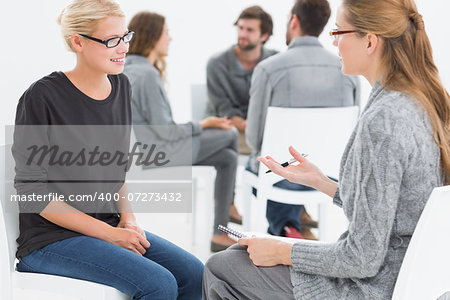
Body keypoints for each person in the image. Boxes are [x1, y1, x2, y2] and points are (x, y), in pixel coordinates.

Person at [203, 0, 449, 298]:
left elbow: (362, 258)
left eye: (338, 31)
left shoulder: (383, 119)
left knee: (221, 265)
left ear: (370, 41)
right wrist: (321, 182)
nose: (333, 41)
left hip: (372, 286)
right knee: (242, 253)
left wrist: (284, 251)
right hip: (406, 274)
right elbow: (392, 209)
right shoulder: (423, 100)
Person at [12, 1, 203, 299]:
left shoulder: (121, 86)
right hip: (50, 241)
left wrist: (128, 219)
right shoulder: (42, 96)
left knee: (194, 274)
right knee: (158, 284)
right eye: (112, 40)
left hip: (107, 224)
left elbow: (117, 168)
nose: (123, 48)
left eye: (125, 37)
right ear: (78, 42)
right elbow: (32, 193)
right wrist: (112, 235)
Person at [123, 11, 241, 252]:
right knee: (229, 135)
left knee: (227, 157)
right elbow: (166, 131)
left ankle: (221, 231)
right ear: (152, 36)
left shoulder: (127, 69)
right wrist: (203, 124)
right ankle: (228, 205)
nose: (170, 39)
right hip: (156, 153)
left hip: (139, 153)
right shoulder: (146, 74)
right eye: (166, 33)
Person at [246, 0, 360, 240]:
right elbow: (354, 135)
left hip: (282, 177)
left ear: (294, 21)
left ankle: (288, 229)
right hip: (332, 177)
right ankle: (294, 226)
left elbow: (255, 139)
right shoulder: (347, 70)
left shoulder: (268, 69)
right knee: (288, 162)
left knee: (258, 163)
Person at [206, 5, 278, 155]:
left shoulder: (275, 61)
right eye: (240, 28)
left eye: (249, 30)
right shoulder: (217, 64)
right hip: (228, 127)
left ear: (264, 36)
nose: (242, 34)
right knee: (263, 148)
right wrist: (244, 124)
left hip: (261, 129)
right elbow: (221, 106)